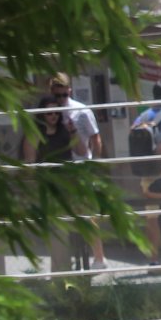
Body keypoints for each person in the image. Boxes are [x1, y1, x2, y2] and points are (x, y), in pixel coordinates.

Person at [45, 71, 107, 267]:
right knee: (59, 216)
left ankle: (99, 257)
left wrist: (96, 161)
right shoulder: (46, 111)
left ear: (70, 91)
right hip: (59, 167)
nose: (61, 99)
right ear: (51, 92)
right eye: (57, 95)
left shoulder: (81, 110)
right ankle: (62, 263)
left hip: (81, 165)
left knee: (87, 214)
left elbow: (95, 136)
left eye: (64, 95)